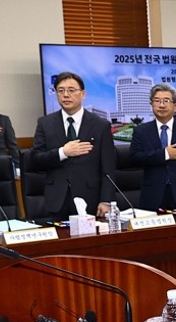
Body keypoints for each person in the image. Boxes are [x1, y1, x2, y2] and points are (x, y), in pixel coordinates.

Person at [31, 71, 116, 219]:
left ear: (83, 94)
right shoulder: (45, 123)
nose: (65, 95)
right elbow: (36, 159)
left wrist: (106, 200)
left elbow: (108, 167)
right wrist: (63, 152)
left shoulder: (100, 125)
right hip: (57, 199)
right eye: (61, 91)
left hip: (91, 197)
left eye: (71, 90)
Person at [129, 83, 176, 211]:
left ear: (175, 106)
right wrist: (165, 154)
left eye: (166, 101)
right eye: (157, 101)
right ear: (151, 104)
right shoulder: (141, 131)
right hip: (152, 194)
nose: (162, 105)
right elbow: (134, 158)